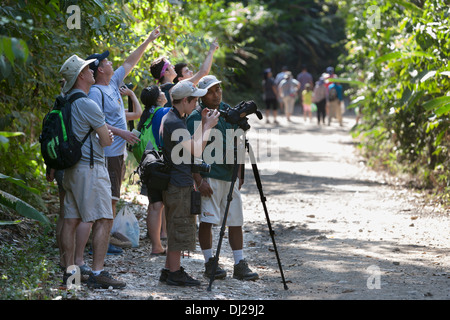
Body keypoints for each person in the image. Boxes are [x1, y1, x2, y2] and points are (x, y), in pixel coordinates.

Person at [86, 26, 160, 248]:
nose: (111, 63)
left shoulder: (113, 83)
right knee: (108, 202)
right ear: (99, 70)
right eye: (106, 62)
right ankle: (101, 244)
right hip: (106, 153)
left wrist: (148, 40)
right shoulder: (95, 92)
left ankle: (103, 241)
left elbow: (129, 62)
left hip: (117, 153)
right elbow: (97, 122)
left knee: (112, 200)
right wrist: (123, 133)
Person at [58, 54, 125, 289]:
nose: (92, 70)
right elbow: (106, 141)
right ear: (81, 76)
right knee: (105, 218)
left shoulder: (65, 101)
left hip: (71, 169)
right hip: (90, 168)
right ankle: (98, 273)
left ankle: (71, 274)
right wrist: (105, 135)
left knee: (70, 219)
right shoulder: (87, 103)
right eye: (87, 69)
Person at [187, 75, 259, 281]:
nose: (216, 94)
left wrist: (241, 173)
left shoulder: (229, 112)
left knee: (236, 220)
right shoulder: (196, 116)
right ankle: (210, 262)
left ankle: (239, 263)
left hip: (230, 175)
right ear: (202, 94)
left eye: (218, 89)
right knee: (207, 221)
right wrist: (198, 179)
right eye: (210, 91)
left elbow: (239, 142)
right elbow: (193, 150)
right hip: (210, 176)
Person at [160, 80, 220, 286]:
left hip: (175, 180)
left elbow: (190, 144)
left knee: (176, 224)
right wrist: (210, 128)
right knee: (179, 226)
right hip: (178, 183)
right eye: (195, 100)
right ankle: (175, 273)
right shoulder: (174, 122)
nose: (197, 103)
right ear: (185, 100)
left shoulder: (174, 117)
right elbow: (196, 150)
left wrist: (203, 124)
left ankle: (169, 270)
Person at [136, 85, 169, 255]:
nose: (165, 94)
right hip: (160, 163)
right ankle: (158, 244)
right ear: (158, 99)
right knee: (160, 204)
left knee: (154, 204)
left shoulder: (146, 115)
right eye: (162, 92)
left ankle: (156, 243)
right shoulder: (163, 112)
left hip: (148, 163)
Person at [150, 39, 219, 107]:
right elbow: (203, 72)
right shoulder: (177, 88)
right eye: (171, 66)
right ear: (166, 72)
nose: (173, 67)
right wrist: (211, 51)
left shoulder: (158, 92)